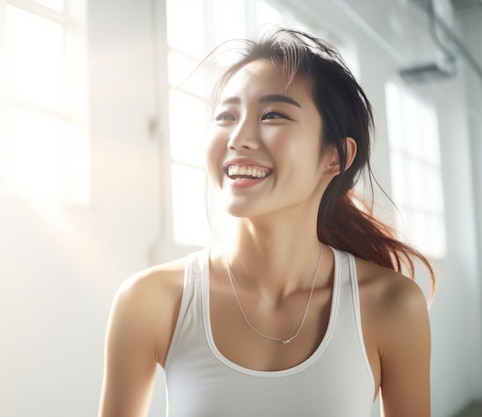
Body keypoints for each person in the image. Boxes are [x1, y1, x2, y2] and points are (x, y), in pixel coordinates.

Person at [98, 27, 434, 417]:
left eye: (273, 114)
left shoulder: (392, 305)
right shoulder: (150, 300)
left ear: (335, 157)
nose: (238, 137)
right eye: (226, 115)